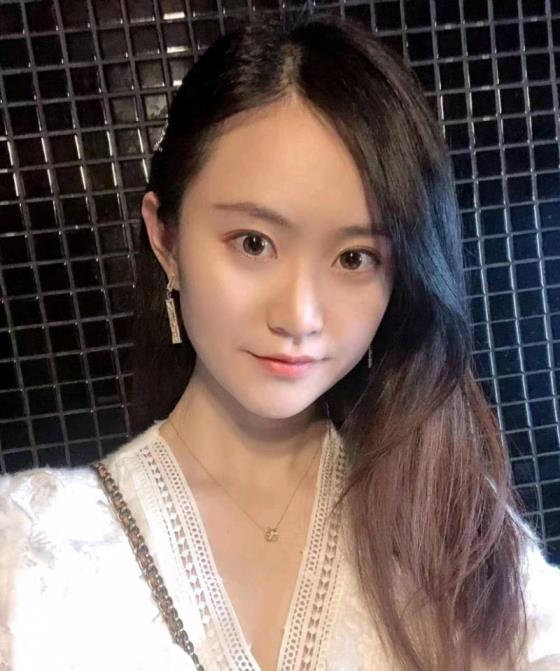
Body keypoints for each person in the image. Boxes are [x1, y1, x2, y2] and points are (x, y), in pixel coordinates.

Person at [1, 13, 559, 671]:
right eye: (254, 243)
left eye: (354, 258)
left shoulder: (455, 531)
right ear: (166, 240)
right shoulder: (25, 549)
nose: (299, 315)